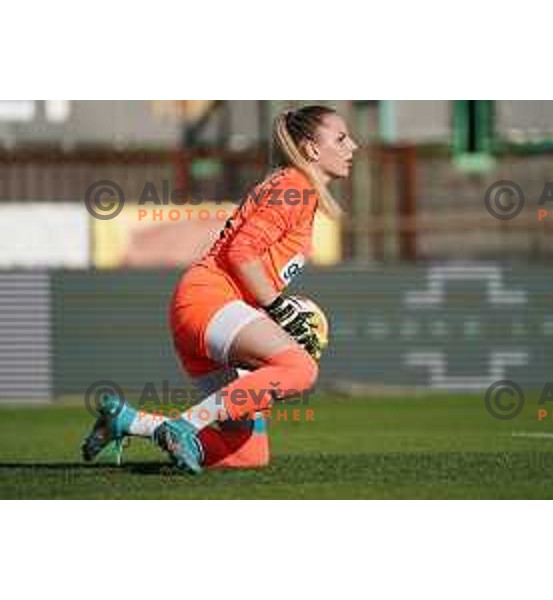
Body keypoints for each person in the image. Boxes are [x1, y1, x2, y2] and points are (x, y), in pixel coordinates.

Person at [82, 104, 358, 473]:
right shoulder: (295, 187)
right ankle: (184, 425)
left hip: (213, 313)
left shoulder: (294, 188)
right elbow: (242, 252)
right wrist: (278, 307)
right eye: (340, 138)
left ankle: (129, 422)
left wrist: (273, 312)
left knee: (247, 453)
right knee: (300, 368)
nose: (352, 145)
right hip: (209, 302)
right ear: (310, 148)